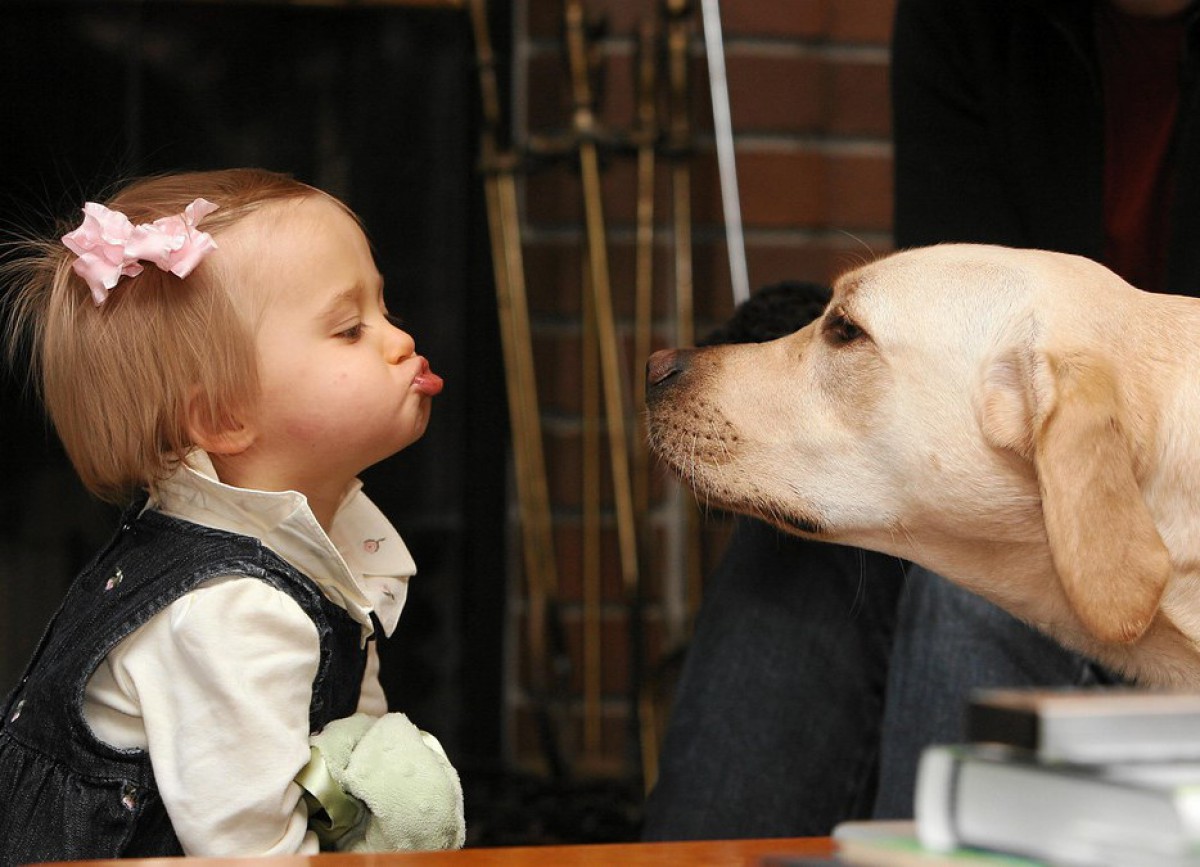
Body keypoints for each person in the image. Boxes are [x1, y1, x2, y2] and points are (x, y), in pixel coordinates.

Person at [642, 0, 1200, 839]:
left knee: (968, 592)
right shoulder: (968, 16)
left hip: (1103, 478)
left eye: (842, 334)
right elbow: (946, 305)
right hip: (1036, 445)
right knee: (813, 552)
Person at [0, 168, 457, 860]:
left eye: (384, 309)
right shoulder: (234, 609)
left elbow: (354, 748)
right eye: (348, 328)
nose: (397, 339)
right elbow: (252, 851)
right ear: (222, 415)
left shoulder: (311, 551)